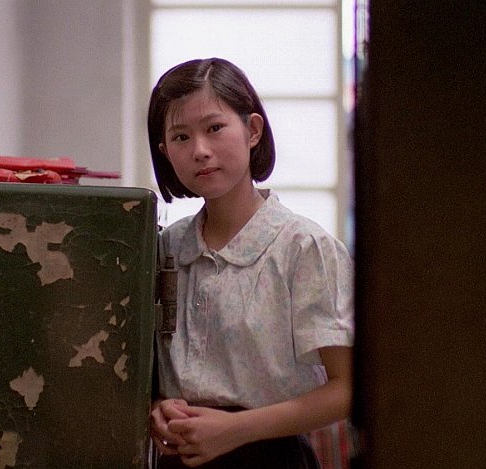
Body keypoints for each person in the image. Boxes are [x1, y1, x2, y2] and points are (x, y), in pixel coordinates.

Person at [147, 57, 354, 469]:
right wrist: (156, 408)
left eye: (214, 128)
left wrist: (236, 429)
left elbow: (348, 388)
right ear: (165, 152)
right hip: (177, 459)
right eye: (181, 136)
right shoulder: (165, 247)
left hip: (272, 458)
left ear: (253, 130)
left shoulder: (304, 248)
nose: (200, 150)